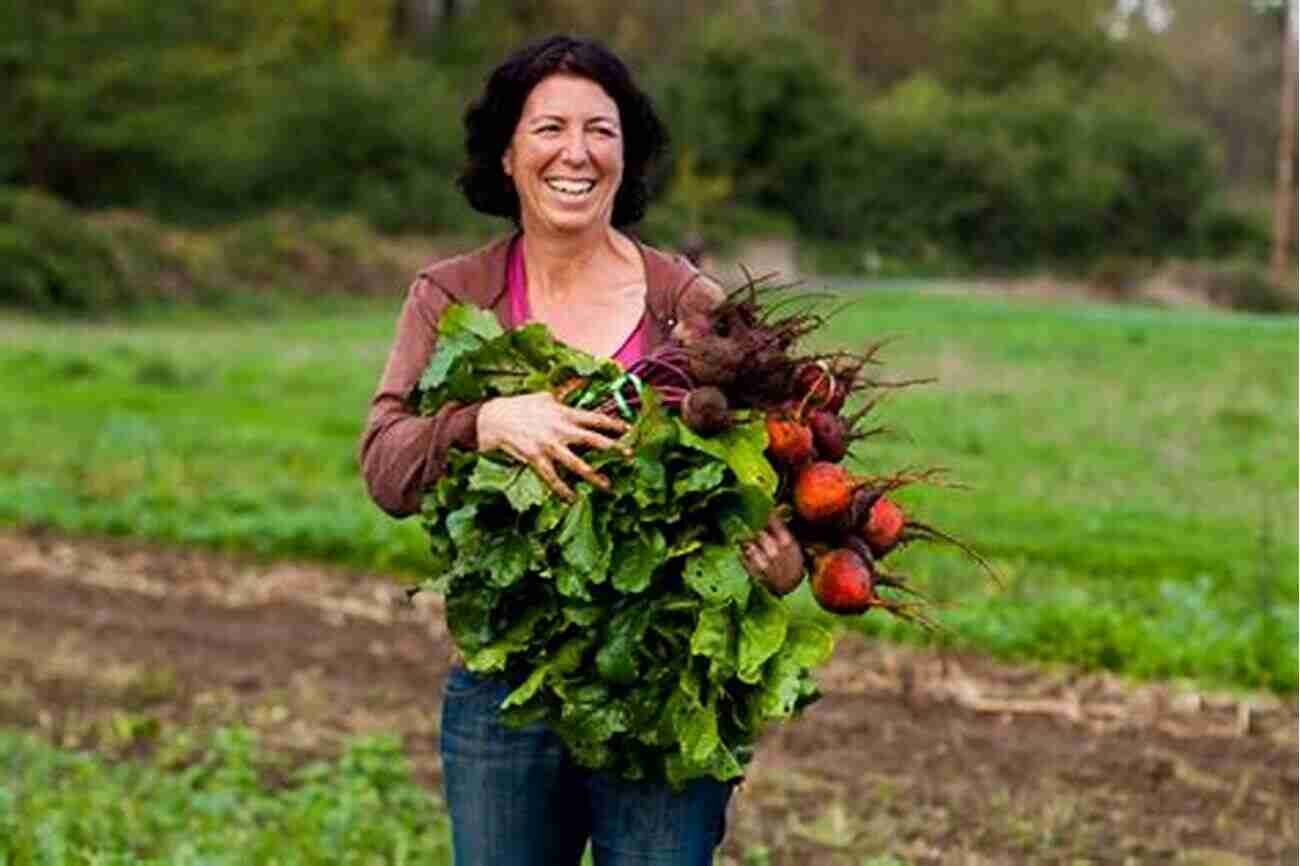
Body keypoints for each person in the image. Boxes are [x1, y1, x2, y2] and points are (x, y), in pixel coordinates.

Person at [359, 34, 802, 866]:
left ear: (626, 155)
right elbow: (385, 466)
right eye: (549, 128)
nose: (577, 153)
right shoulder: (454, 294)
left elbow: (777, 473)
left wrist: (785, 564)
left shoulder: (692, 304)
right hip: (505, 692)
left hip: (665, 687)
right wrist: (482, 422)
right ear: (507, 152)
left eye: (601, 130)